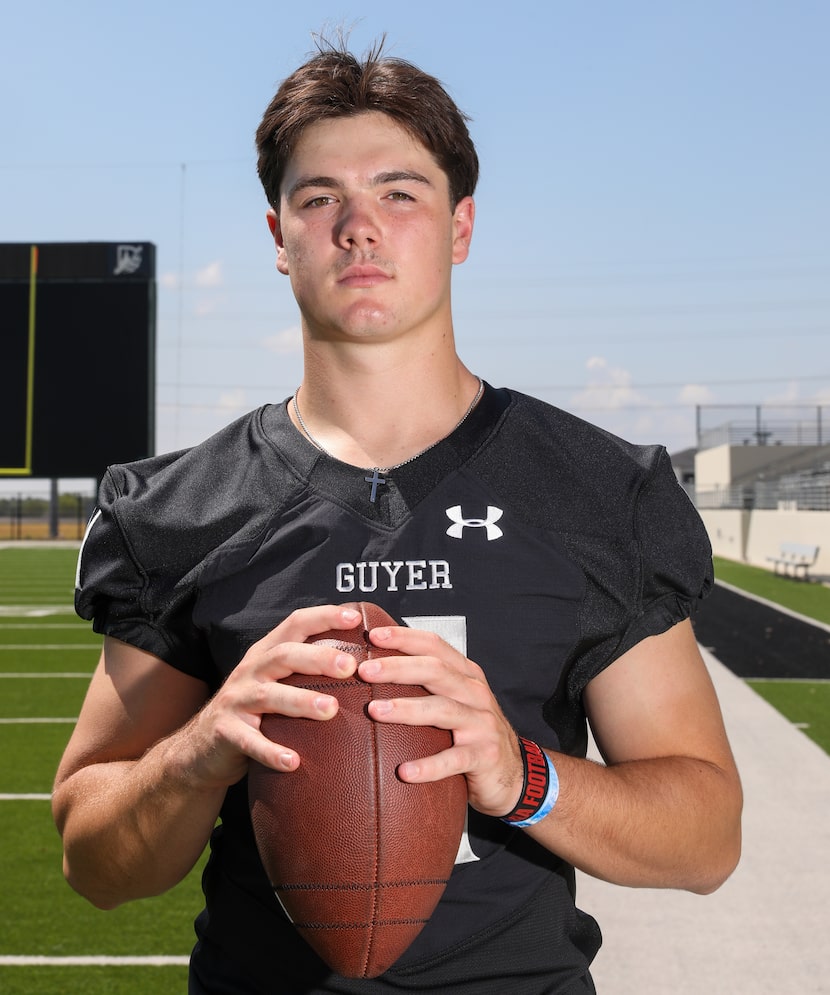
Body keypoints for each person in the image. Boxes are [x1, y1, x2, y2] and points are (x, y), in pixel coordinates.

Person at [53, 37, 742, 995]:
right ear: (278, 234)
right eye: (320, 196)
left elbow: (706, 837)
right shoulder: (184, 511)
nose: (359, 227)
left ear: (461, 228)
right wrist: (199, 751)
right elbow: (92, 860)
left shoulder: (592, 490)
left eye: (399, 192)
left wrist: (519, 773)